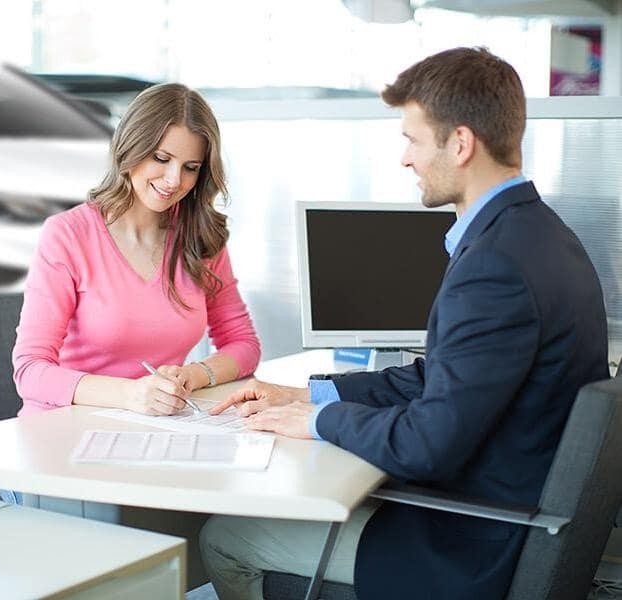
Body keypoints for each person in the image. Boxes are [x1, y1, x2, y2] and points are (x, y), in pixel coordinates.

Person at [200, 47, 610, 600]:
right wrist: (307, 394)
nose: (405, 159)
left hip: (473, 545)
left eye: (413, 139)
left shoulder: (496, 267)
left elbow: (426, 446)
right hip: (508, 510)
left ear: (460, 143)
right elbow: (437, 379)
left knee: (228, 537)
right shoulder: (542, 236)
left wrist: (319, 422)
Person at [12, 83, 261, 417]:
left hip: (156, 426)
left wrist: (191, 376)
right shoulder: (68, 235)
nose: (174, 180)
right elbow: (30, 372)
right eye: (161, 158)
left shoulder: (200, 237)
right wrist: (130, 394)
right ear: (129, 148)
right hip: (63, 427)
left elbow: (243, 344)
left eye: (191, 167)